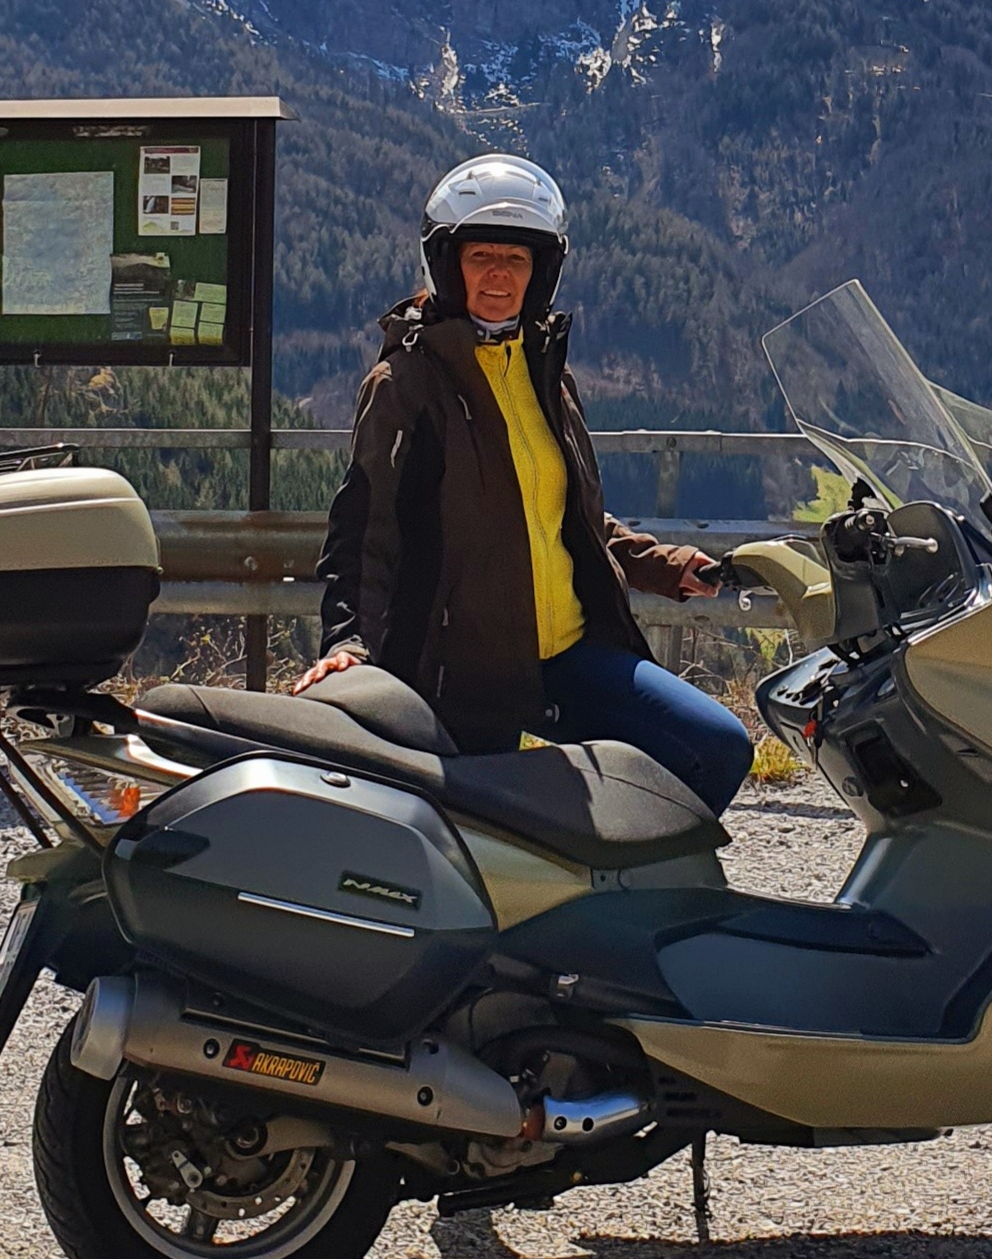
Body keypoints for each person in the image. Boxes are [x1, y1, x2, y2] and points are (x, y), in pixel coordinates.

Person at [295, 153, 754, 814]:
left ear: (542, 270)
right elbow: (365, 533)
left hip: (564, 652)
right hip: (462, 670)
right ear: (447, 262)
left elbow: (564, 516)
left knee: (712, 746)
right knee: (471, 852)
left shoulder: (544, 372)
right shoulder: (407, 384)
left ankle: (617, 890)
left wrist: (668, 566)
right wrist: (347, 642)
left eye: (516, 259)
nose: (498, 275)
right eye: (481, 255)